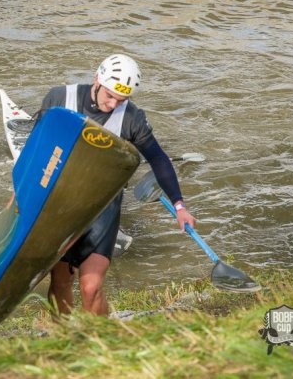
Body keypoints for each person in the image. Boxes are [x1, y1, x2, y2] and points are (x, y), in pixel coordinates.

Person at [36, 54, 196, 316]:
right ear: (97, 80)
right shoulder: (58, 98)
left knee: (91, 287)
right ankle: (62, 337)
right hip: (61, 206)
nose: (113, 104)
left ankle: (105, 337)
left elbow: (158, 159)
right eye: (109, 96)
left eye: (121, 100)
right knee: (60, 281)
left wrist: (179, 206)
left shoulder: (131, 118)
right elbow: (36, 152)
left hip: (103, 209)